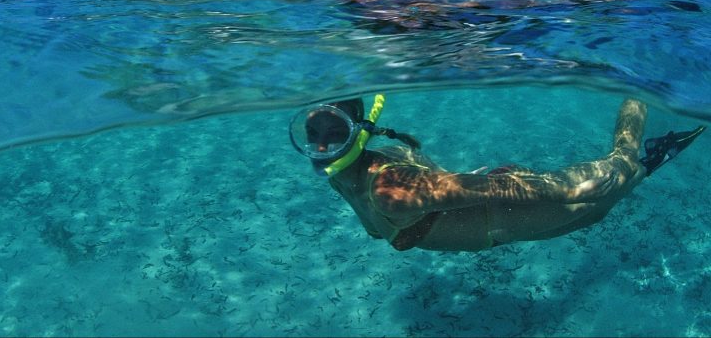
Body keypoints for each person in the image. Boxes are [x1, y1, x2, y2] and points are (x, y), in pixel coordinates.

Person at [289, 94, 705, 252]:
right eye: (313, 133)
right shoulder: (343, 174)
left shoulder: (390, 190)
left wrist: (568, 188)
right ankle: (649, 154)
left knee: (601, 195)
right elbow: (433, 180)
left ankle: (640, 119)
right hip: (493, 227)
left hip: (500, 219)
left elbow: (494, 190)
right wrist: (453, 183)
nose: (321, 147)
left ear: (357, 134)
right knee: (594, 210)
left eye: (335, 133)